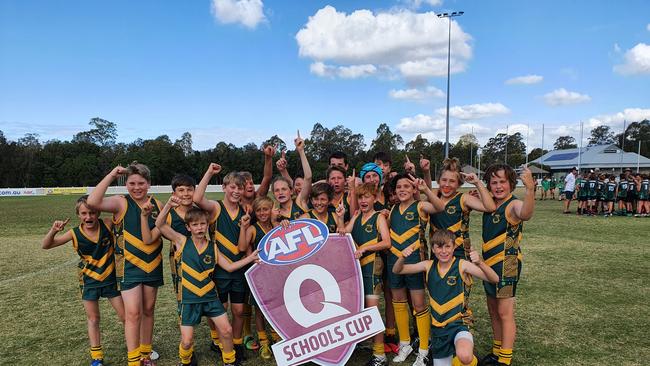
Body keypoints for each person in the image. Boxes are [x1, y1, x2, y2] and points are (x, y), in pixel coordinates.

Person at [154, 197, 258, 366]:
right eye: (195, 225)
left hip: (210, 298)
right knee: (187, 341)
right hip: (189, 300)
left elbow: (230, 267)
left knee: (226, 330)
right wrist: (167, 206)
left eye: (202, 224)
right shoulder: (181, 241)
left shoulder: (213, 247)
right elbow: (160, 224)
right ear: (188, 227)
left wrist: (251, 258)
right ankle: (186, 361)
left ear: (207, 225)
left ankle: (230, 361)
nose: (199, 227)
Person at [87, 163, 162, 366]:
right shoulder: (121, 202)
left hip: (153, 264)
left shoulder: (157, 203)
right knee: (133, 313)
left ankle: (146, 354)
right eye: (132, 183)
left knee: (148, 309)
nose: (136, 188)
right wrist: (112, 174)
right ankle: (134, 359)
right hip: (129, 266)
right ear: (126, 184)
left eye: (141, 183)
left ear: (149, 184)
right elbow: (92, 202)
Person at [393, 229, 499, 366]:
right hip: (438, 329)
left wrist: (480, 263)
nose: (443, 251)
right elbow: (397, 270)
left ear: (454, 246)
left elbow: (494, 279)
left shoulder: (461, 265)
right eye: (439, 247)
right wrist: (402, 257)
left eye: (447, 246)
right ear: (433, 248)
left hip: (459, 323)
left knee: (465, 356)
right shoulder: (428, 265)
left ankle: (473, 361)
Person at [42, 195, 126, 366]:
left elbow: (123, 213)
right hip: (89, 282)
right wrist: (53, 231)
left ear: (99, 212)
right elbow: (47, 245)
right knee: (93, 319)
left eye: (93, 213)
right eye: (84, 213)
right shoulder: (74, 233)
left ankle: (135, 348)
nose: (89, 217)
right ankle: (97, 357)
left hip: (111, 280)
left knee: (126, 317)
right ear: (78, 215)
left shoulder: (107, 224)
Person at [480, 165, 535, 366]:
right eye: (494, 182)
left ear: (511, 183)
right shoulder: (490, 204)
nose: (498, 186)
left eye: (502, 181)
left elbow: (526, 213)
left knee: (505, 312)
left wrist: (530, 190)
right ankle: (496, 350)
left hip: (507, 265)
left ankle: (505, 358)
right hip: (488, 265)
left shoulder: (513, 204)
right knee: (493, 310)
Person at [387, 173, 444, 366]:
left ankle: (424, 349)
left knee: (419, 304)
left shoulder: (420, 206)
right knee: (398, 301)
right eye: (399, 187)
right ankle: (405, 343)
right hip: (394, 261)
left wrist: (425, 189)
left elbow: (440, 207)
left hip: (415, 262)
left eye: (406, 186)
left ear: (413, 189)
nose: (402, 189)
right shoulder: (392, 209)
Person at [193, 166, 249, 362]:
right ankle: (217, 339)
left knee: (239, 310)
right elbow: (198, 199)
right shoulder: (216, 207)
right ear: (224, 187)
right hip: (219, 269)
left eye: (240, 188)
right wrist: (208, 173)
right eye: (232, 187)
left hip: (240, 268)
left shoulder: (245, 211)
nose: (236, 191)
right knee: (220, 308)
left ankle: (237, 342)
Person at [335, 183, 392, 366]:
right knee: (360, 309)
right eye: (360, 197)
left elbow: (387, 242)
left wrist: (366, 247)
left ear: (375, 198)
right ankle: (365, 344)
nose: (363, 201)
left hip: (372, 269)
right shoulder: (357, 216)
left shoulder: (378, 217)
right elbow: (343, 233)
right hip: (357, 271)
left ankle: (380, 355)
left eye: (367, 197)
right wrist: (341, 217)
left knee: (372, 311)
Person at [239, 197, 283, 360]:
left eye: (266, 209)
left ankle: (277, 338)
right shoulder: (252, 229)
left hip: (277, 275)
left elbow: (283, 242)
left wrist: (277, 223)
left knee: (277, 308)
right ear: (255, 213)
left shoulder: (275, 225)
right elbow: (242, 248)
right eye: (259, 210)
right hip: (259, 277)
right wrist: (243, 228)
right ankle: (264, 341)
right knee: (260, 310)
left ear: (272, 209)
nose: (263, 213)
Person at [429, 158, 496, 260]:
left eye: (452, 181)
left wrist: (477, 183)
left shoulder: (463, 199)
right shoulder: (434, 197)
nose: (447, 184)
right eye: (444, 180)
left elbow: (490, 207)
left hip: (459, 254)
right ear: (438, 181)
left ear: (459, 184)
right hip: (438, 253)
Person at [272, 132, 312, 222]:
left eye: (283, 189)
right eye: (277, 190)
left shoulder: (300, 202)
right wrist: (274, 221)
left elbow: (308, 177)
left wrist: (301, 151)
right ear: (273, 194)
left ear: (291, 191)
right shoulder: (276, 215)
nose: (280, 193)